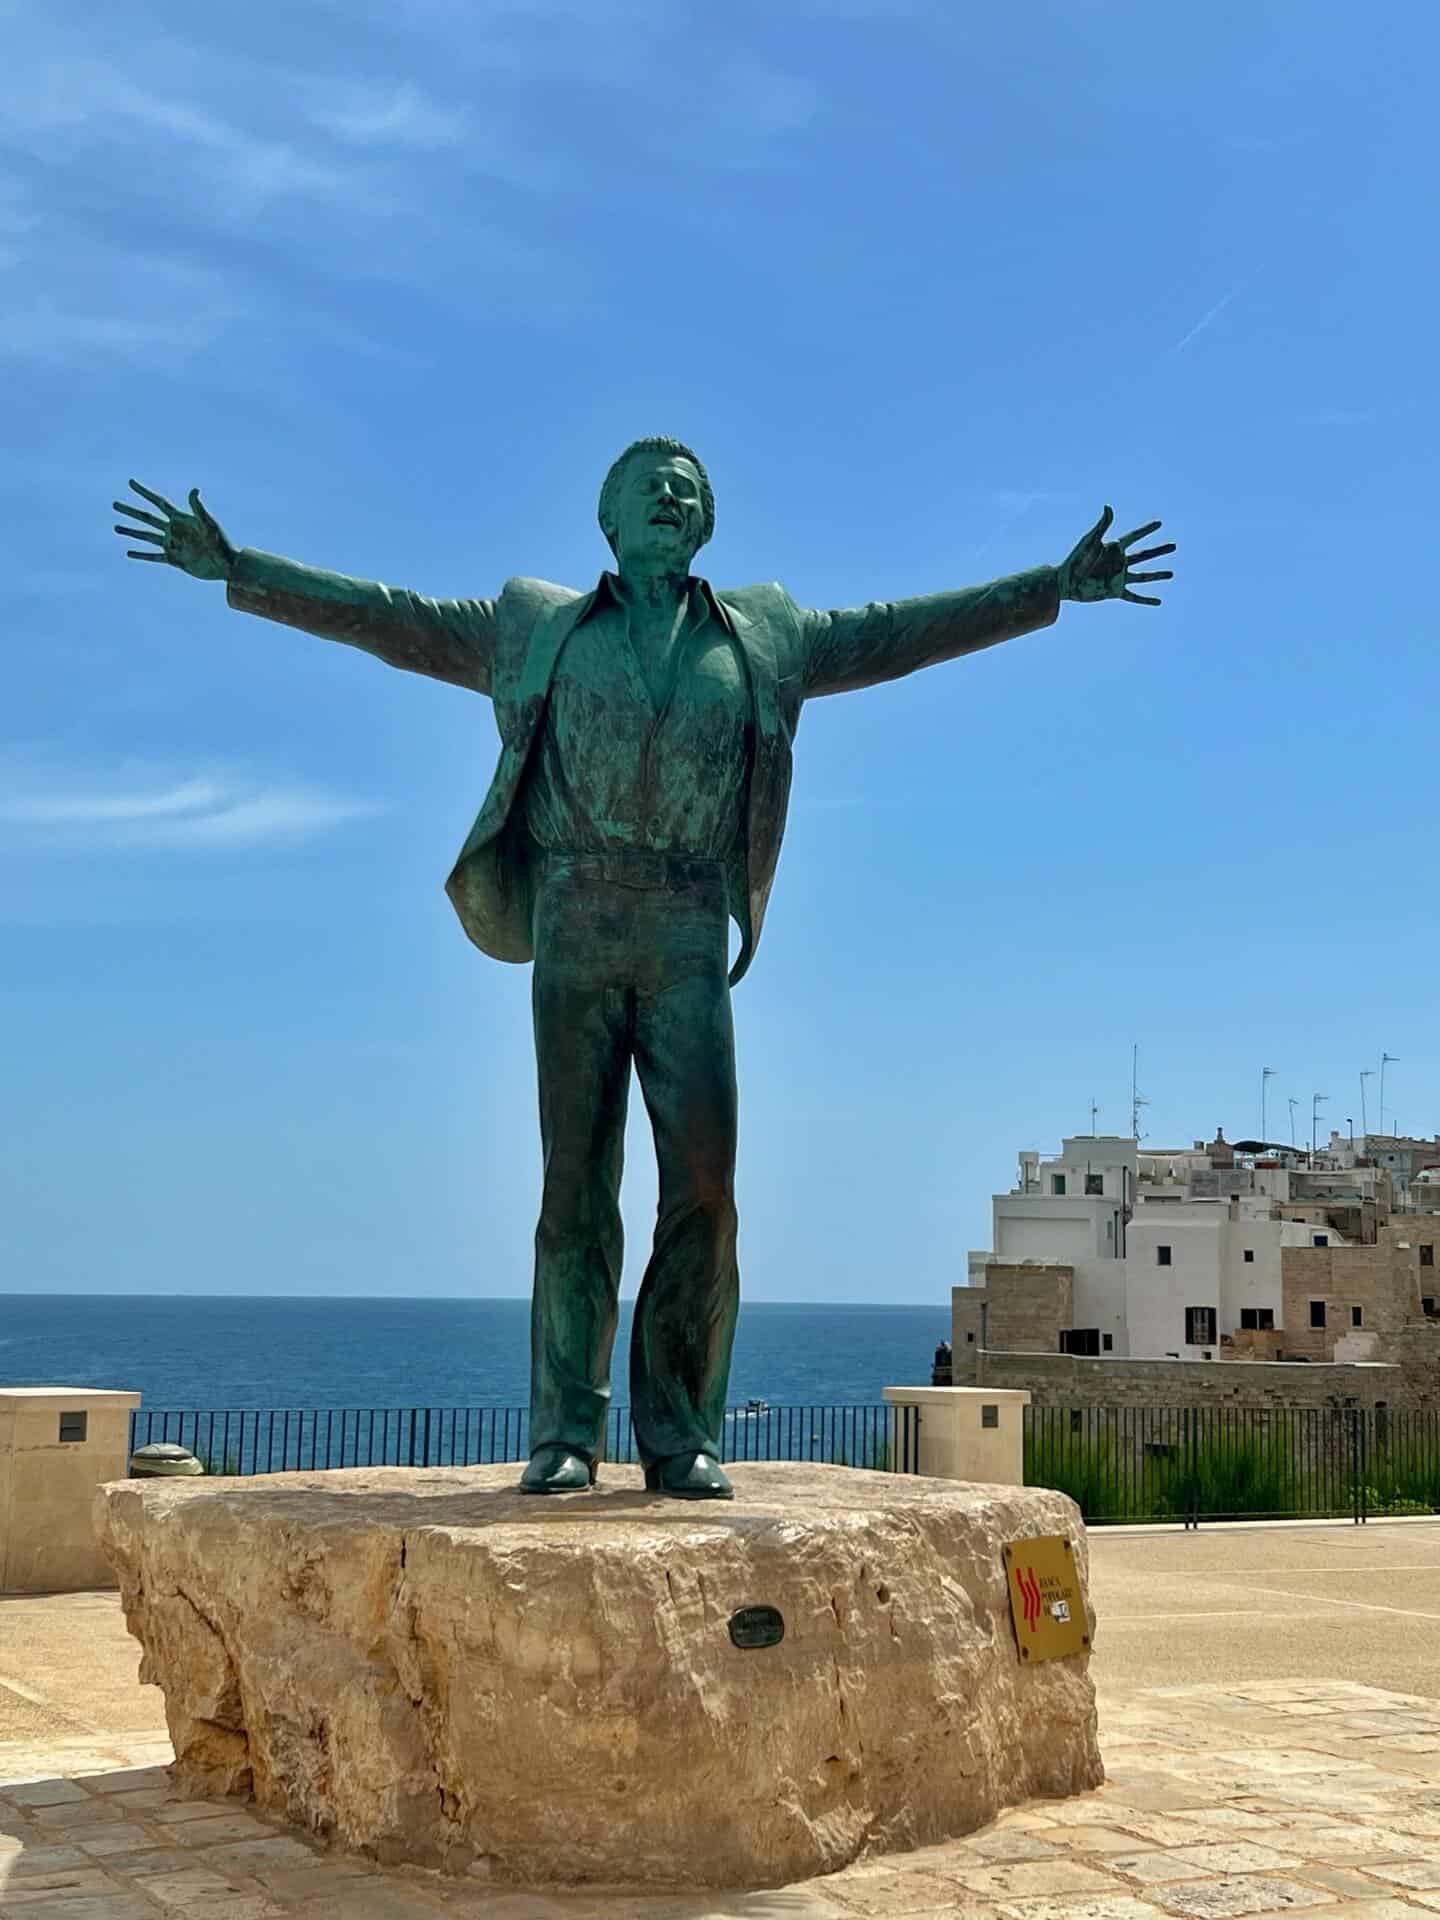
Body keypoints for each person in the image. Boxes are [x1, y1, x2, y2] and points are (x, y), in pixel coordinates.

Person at [114, 438, 1173, 1498]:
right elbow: (393, 619)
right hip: (575, 916)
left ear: (704, 524)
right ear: (608, 521)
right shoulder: (538, 627)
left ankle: (679, 1435)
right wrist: (242, 568)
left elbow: (898, 636)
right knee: (574, 1188)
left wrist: (1050, 589)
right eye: (649, 487)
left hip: (684, 930)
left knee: (706, 1191)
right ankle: (567, 1432)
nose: (671, 497)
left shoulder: (764, 636)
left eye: (689, 490)